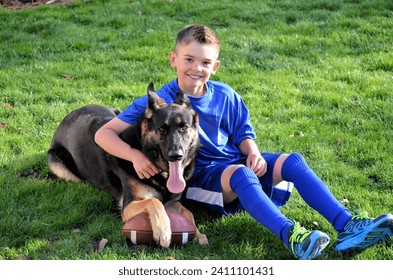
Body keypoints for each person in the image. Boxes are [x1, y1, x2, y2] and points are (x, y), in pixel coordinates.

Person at [94, 24, 393, 260]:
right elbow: (102, 134)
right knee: (241, 174)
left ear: (215, 66)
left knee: (293, 161)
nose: (196, 68)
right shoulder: (160, 102)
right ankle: (293, 236)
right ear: (174, 60)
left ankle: (348, 225)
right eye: (189, 59)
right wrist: (134, 156)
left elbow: (243, 132)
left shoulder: (226, 95)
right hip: (203, 173)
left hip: (234, 162)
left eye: (205, 62)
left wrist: (252, 152)